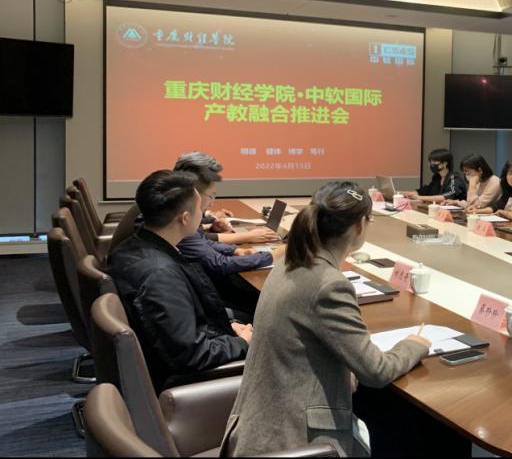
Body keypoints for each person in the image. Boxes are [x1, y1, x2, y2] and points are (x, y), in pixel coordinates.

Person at [222, 181, 468, 457]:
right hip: (293, 436)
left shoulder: (290, 262)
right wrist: (414, 345)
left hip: (261, 420)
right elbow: (377, 371)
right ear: (360, 226)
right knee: (411, 428)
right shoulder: (328, 284)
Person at [106, 170, 250, 392]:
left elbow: (178, 327)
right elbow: (190, 355)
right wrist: (241, 343)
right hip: (186, 385)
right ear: (185, 218)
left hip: (182, 348)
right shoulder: (160, 276)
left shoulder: (131, 247)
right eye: (200, 209)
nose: (204, 214)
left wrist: (225, 328)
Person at [173, 156, 286, 320]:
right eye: (211, 196)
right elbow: (219, 264)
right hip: (203, 306)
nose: (212, 204)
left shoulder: (176, 213)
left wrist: (235, 250)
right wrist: (273, 255)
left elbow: (201, 240)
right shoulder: (178, 220)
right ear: (194, 193)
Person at [401, 148, 467, 203]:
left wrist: (419, 197)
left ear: (444, 163)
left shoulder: (454, 178)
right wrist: (399, 193)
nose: (431, 164)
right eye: (430, 162)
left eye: (434, 162)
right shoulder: (437, 177)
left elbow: (446, 197)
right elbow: (424, 191)